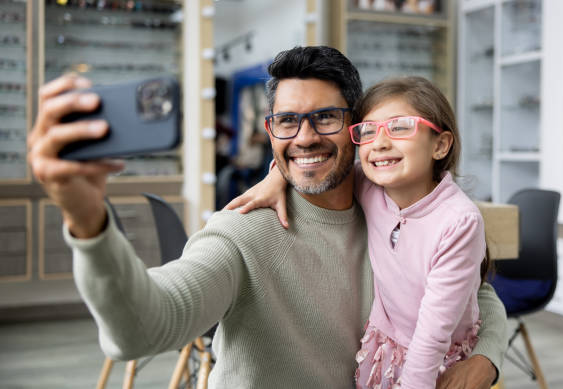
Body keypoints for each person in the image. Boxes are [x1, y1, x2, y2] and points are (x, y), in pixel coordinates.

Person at [27, 46, 506, 389]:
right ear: (271, 130)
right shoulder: (243, 231)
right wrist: (87, 219)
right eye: (286, 121)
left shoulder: (384, 200)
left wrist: (487, 356)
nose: (304, 137)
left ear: (354, 131)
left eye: (326, 118)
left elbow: (476, 291)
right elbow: (141, 330)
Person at [227, 75, 490, 388]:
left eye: (400, 126)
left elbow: (433, 334)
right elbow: (315, 165)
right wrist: (276, 177)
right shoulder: (371, 185)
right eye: (367, 131)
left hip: (436, 361)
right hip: (385, 350)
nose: (379, 143)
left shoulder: (459, 221)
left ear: (440, 144)